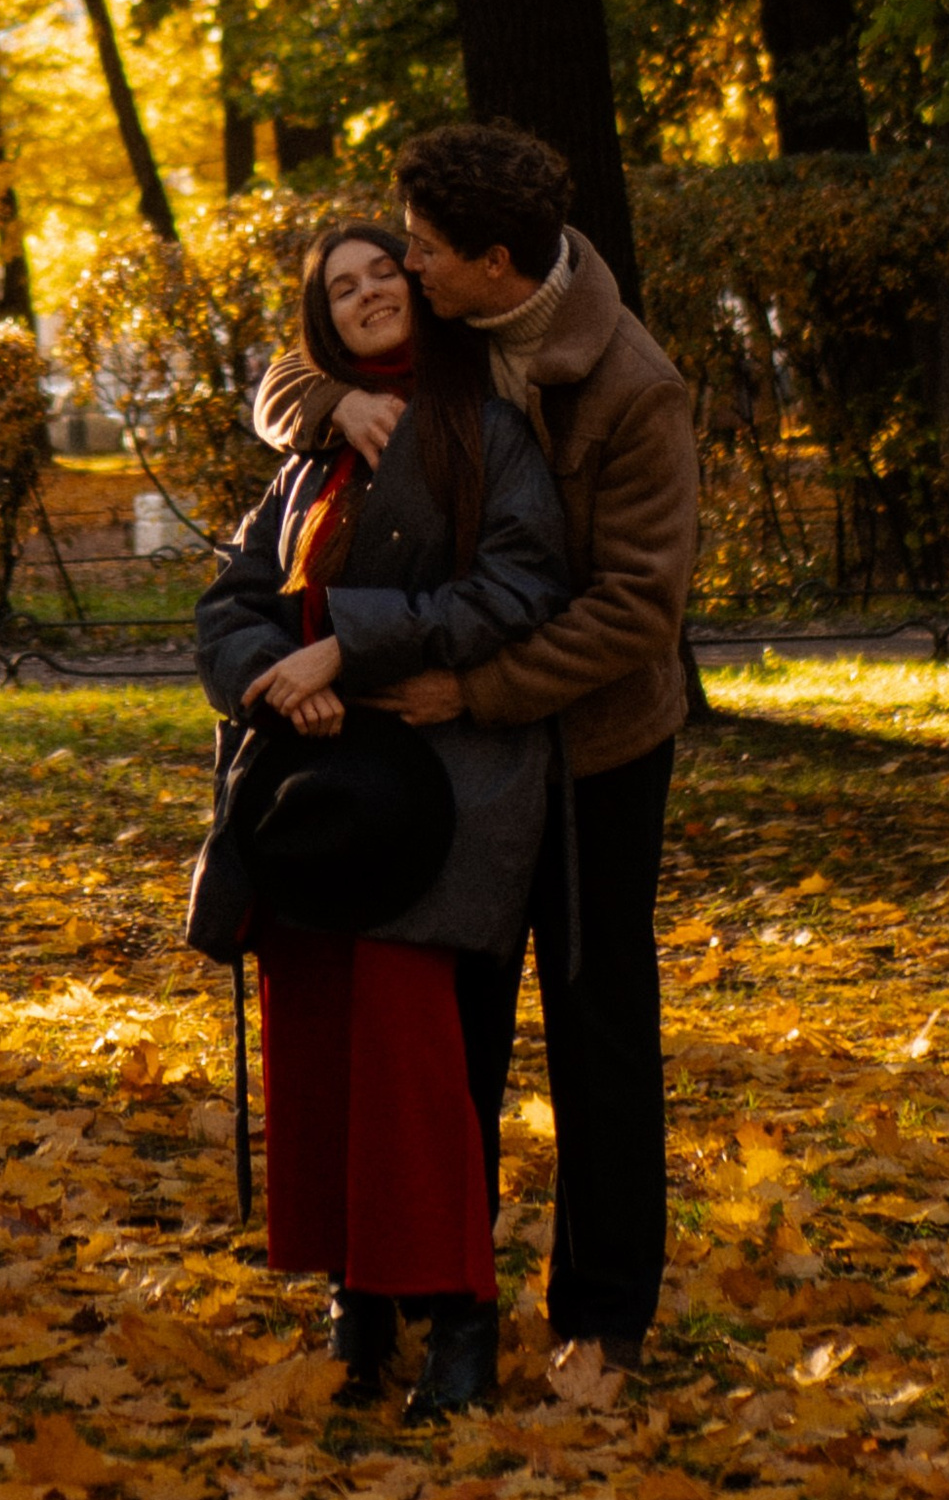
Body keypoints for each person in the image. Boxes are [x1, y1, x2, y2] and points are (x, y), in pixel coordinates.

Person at [253, 122, 698, 1379]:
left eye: (429, 250)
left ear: (495, 263)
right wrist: (331, 396)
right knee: (453, 1019)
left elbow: (635, 610)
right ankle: (443, 1291)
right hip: (463, 749)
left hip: (595, 744)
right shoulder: (451, 318)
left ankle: (603, 1319)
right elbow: (297, 372)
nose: (406, 267)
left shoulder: (627, 386)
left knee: (598, 1017)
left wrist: (474, 688)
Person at [198, 224, 568, 1419]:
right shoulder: (308, 462)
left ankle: (456, 1317)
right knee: (316, 1053)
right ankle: (359, 1305)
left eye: (380, 277)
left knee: (410, 1066)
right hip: (307, 802)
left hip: (437, 795)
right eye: (337, 289)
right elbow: (230, 599)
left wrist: (346, 649)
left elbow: (518, 587)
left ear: (422, 293)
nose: (362, 297)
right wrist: (274, 673)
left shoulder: (488, 431)